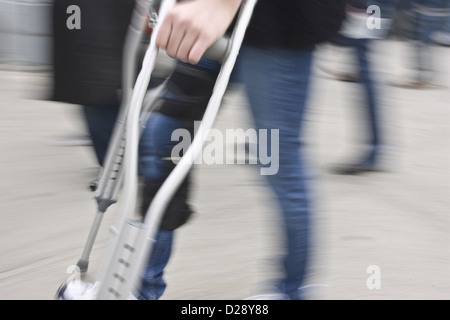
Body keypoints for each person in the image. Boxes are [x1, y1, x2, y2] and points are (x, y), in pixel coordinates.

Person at [55, 0, 346, 300]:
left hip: (277, 20)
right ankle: (138, 288)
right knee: (163, 136)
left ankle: (291, 291)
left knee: (277, 160)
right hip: (213, 20)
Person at [321, 0, 395, 174]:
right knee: (365, 69)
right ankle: (375, 149)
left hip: (364, 8)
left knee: (365, 70)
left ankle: (374, 149)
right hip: (374, 9)